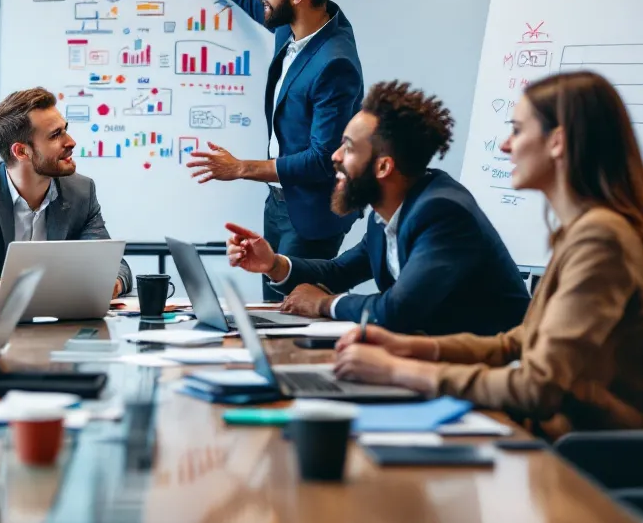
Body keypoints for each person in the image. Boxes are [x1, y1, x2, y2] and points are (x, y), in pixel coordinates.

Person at [334, 72, 643, 438]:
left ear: (557, 142)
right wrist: (409, 347)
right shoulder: (584, 231)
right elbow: (516, 342)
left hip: (576, 459)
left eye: (517, 130)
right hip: (555, 437)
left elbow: (538, 388)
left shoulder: (601, 239)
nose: (505, 145)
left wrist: (398, 370)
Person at [145, 0, 367, 298]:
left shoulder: (335, 63)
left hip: (312, 215)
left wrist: (240, 168)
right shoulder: (297, 26)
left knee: (291, 315)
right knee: (273, 312)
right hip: (280, 203)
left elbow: (322, 158)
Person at [226, 81, 530, 336]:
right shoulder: (387, 214)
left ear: (384, 166)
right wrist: (273, 264)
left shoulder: (442, 213)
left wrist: (324, 303)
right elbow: (339, 271)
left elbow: (398, 309)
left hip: (492, 375)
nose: (335, 156)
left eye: (348, 147)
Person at [0, 88, 133, 304]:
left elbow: (116, 266)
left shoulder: (81, 191)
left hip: (59, 324)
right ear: (21, 152)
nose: (71, 142)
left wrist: (111, 283)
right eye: (55, 135)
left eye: (65, 130)